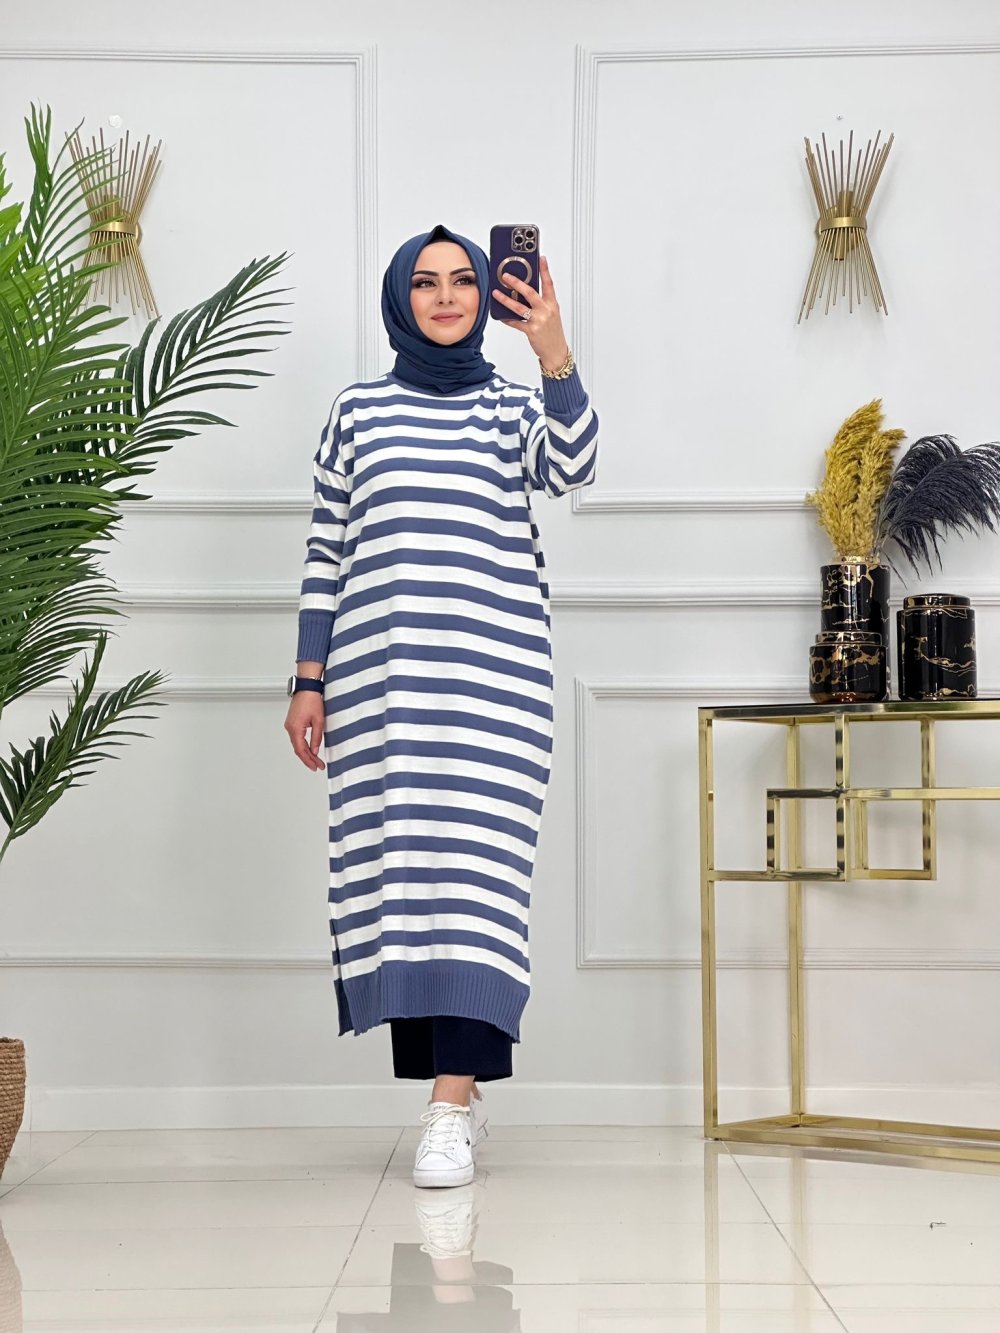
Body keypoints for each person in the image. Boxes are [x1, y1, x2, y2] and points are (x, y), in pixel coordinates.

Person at [284, 223, 598, 1188]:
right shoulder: (357, 412)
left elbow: (573, 466)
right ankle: (454, 1088)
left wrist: (553, 350)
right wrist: (308, 676)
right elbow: (327, 549)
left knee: (477, 888)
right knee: (405, 886)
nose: (449, 295)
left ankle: (449, 1106)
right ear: (400, 299)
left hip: (496, 687)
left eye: (465, 279)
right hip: (382, 687)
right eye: (426, 282)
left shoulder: (510, 407)